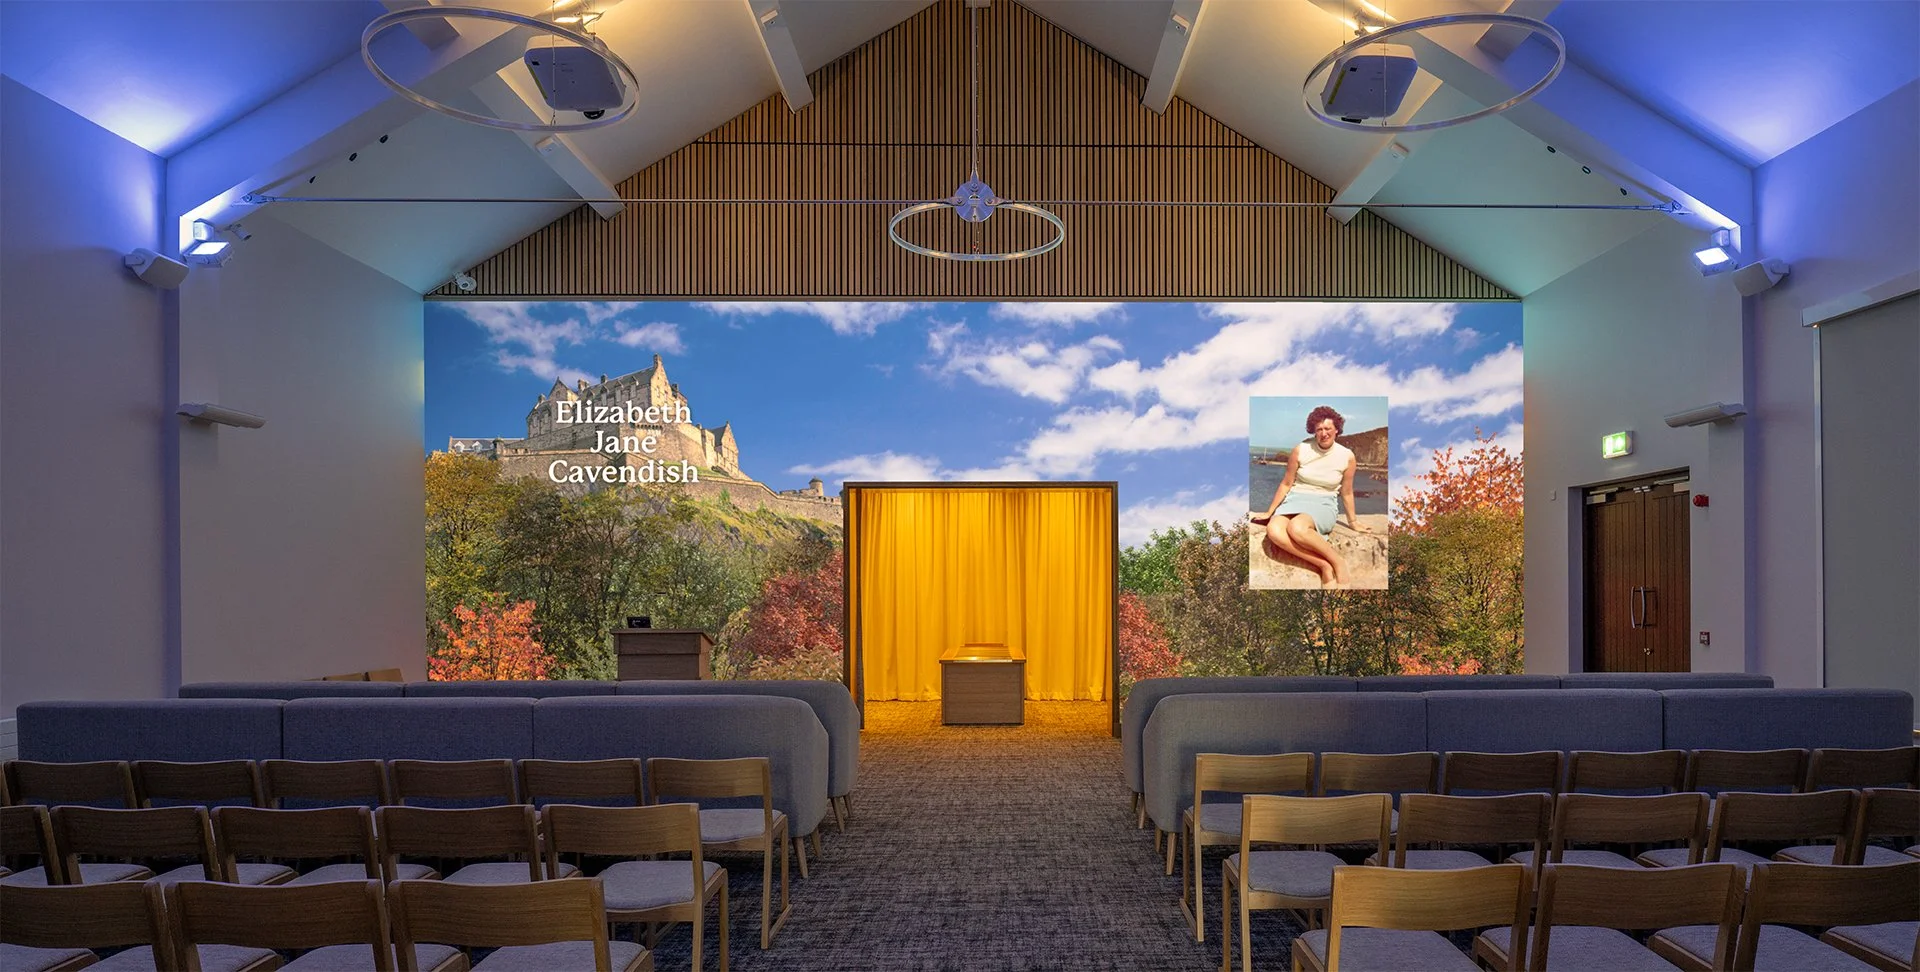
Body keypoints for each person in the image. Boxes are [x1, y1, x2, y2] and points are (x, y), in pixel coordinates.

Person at [1251, 405, 1370, 588]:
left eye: (1327, 428)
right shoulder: (1301, 449)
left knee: (1297, 528)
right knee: (1274, 530)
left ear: (1336, 430)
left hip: (1323, 502)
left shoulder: (1347, 456)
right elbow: (1286, 483)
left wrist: (1353, 522)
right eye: (1319, 429)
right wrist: (1269, 512)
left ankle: (1338, 562)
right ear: (1314, 431)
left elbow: (1346, 491)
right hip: (1295, 498)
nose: (1323, 433)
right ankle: (1322, 565)